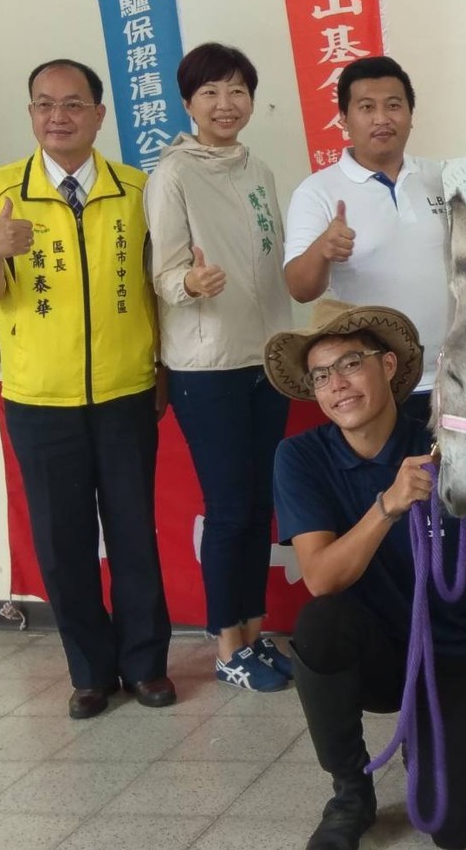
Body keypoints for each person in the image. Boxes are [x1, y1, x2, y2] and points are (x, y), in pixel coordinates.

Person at [265, 299, 466, 850]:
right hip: (372, 654)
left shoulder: (444, 450)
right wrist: (388, 506)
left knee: (455, 829)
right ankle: (350, 793)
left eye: (350, 364)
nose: (337, 385)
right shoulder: (300, 456)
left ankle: (429, 736)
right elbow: (321, 579)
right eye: (321, 376)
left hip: (450, 650)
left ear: (387, 366)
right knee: (320, 623)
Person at [282, 55, 466, 655]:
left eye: (394, 105)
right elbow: (299, 286)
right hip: (381, 385)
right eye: (365, 107)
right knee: (413, 504)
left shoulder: (443, 177)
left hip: (461, 379)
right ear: (344, 119)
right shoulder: (319, 192)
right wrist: (323, 249)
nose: (381, 118)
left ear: (411, 114)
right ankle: (424, 616)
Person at [0, 59, 174, 718]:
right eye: (45, 104)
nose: (59, 116)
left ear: (99, 115)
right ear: (31, 114)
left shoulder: (137, 189)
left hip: (125, 391)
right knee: (62, 542)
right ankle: (90, 671)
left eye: (74, 104)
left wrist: (161, 368)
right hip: (39, 399)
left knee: (135, 534)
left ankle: (146, 665)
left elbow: (157, 286)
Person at [145, 42, 294, 692]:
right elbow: (163, 273)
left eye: (237, 90)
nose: (225, 104)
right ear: (188, 102)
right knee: (231, 508)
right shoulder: (173, 175)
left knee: (260, 505)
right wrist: (191, 283)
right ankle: (227, 645)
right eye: (210, 92)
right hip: (207, 367)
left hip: (268, 360)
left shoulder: (259, 170)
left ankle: (255, 633)